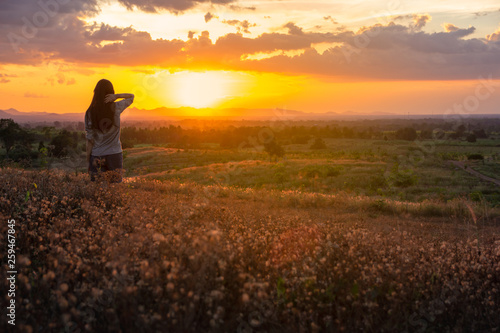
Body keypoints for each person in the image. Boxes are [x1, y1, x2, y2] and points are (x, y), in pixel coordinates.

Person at [84, 79, 134, 183]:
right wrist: (116, 96)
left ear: (96, 93)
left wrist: (88, 161)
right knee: (116, 190)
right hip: (114, 154)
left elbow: (90, 140)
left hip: (96, 155)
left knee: (97, 190)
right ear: (110, 92)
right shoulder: (116, 107)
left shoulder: (90, 112)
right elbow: (131, 96)